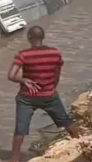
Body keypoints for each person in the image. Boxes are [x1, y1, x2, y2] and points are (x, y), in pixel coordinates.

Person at [7, 26, 80, 162]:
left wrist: (24, 80)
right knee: (66, 121)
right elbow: (57, 74)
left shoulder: (23, 55)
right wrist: (52, 88)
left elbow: (11, 75)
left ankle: (14, 159)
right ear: (43, 37)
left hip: (27, 97)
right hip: (49, 95)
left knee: (20, 129)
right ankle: (81, 145)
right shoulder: (55, 53)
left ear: (29, 37)